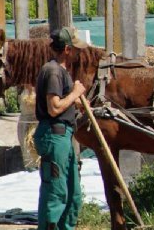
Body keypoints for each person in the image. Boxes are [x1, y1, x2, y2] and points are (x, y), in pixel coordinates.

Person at [34, 27, 87, 230]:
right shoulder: (53, 71)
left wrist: (76, 101)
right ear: (67, 49)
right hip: (54, 135)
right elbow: (54, 107)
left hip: (65, 136)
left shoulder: (62, 72)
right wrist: (75, 94)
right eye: (76, 49)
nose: (79, 53)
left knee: (73, 194)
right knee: (56, 192)